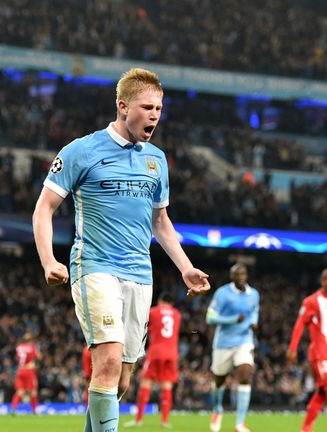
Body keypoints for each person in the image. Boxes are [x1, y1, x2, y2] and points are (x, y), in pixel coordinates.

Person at [32, 67, 210, 432]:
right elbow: (44, 208)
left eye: (159, 109)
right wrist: (49, 260)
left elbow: (161, 222)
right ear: (123, 106)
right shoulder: (81, 151)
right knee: (109, 360)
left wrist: (185, 267)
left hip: (139, 276)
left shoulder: (156, 160)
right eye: (147, 108)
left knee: (122, 379)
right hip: (95, 267)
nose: (154, 116)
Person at [286, 269, 327, 432]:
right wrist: (292, 348)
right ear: (323, 281)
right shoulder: (312, 301)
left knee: (322, 392)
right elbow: (300, 324)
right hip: (321, 353)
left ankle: (306, 428)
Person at [206, 264, 259, 432]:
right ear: (232, 277)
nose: (241, 276)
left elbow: (255, 311)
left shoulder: (254, 294)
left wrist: (253, 322)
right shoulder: (222, 293)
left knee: (245, 373)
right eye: (237, 274)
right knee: (219, 380)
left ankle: (240, 423)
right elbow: (210, 318)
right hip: (223, 343)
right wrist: (233, 319)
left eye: (243, 273)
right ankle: (217, 409)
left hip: (244, 341)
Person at [126, 291, 181, 428]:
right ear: (171, 303)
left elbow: (145, 329)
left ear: (160, 301)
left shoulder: (154, 312)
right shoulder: (177, 314)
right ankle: (165, 421)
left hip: (155, 352)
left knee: (146, 384)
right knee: (166, 386)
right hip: (171, 354)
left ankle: (138, 420)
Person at [11, 332, 40, 415]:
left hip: (20, 371)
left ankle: (13, 409)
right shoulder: (32, 347)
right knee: (33, 391)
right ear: (31, 340)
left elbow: (18, 358)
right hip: (29, 371)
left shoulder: (19, 347)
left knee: (20, 391)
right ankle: (34, 410)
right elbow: (38, 356)